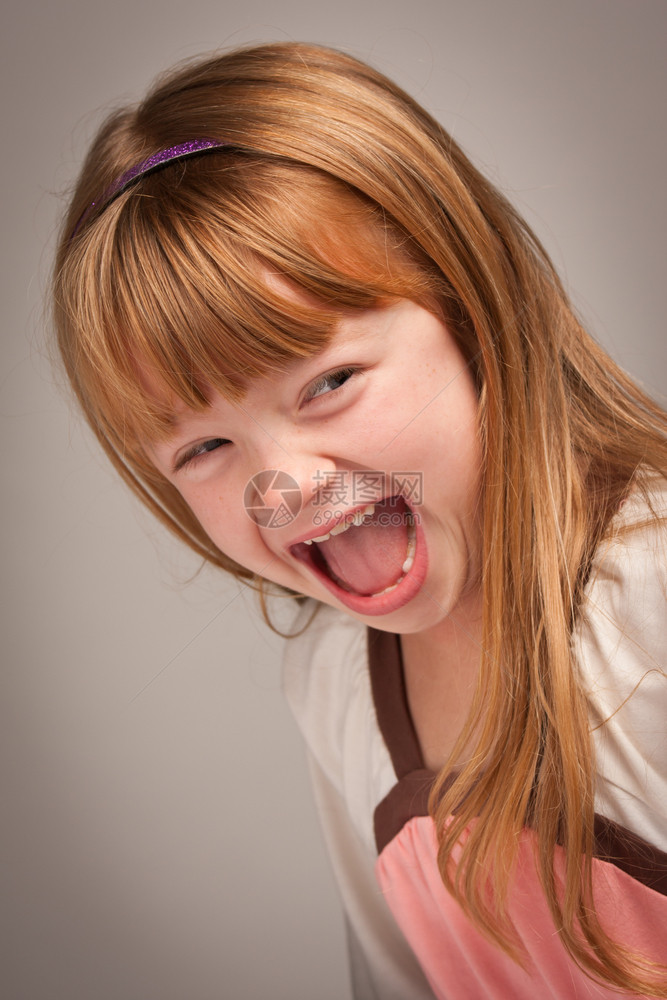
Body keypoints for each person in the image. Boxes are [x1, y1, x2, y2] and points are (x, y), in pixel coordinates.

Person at [52, 41, 667, 999]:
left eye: (330, 382)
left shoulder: (650, 604)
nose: (284, 483)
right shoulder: (335, 686)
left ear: (471, 313)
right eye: (203, 450)